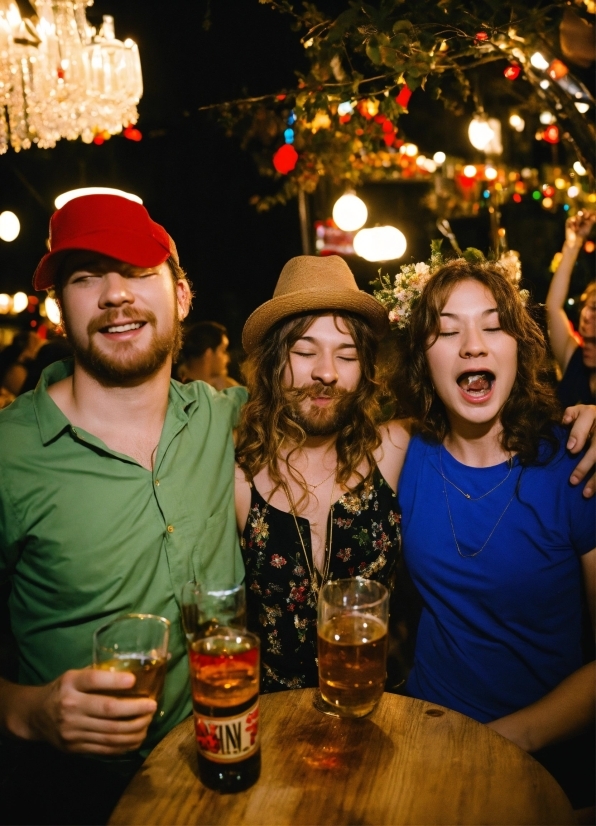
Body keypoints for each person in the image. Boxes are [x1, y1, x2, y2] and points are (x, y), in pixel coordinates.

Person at [0, 193, 246, 825]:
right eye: (85, 278)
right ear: (61, 310)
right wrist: (29, 710)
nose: (115, 295)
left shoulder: (230, 420)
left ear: (182, 296)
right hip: (70, 802)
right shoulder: (9, 455)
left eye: (137, 272)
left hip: (227, 779)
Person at [389, 257, 595, 808]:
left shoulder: (574, 467)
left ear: (520, 347)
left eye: (492, 325)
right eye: (447, 330)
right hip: (426, 735)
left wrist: (503, 741)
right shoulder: (405, 452)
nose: (473, 345)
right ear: (423, 359)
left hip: (545, 759)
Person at [234, 255, 408, 692]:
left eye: (346, 355)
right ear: (274, 363)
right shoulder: (237, 476)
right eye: (305, 351)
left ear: (364, 368)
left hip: (384, 711)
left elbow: (481, 430)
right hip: (276, 722)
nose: (326, 372)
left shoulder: (395, 448)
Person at [545, 209, 596, 406]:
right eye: (585, 307)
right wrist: (572, 246)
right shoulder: (575, 362)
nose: (584, 314)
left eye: (594, 308)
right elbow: (553, 306)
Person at [175, 320, 239, 389]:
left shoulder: (229, 386)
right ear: (208, 353)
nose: (228, 359)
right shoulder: (178, 388)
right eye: (223, 351)